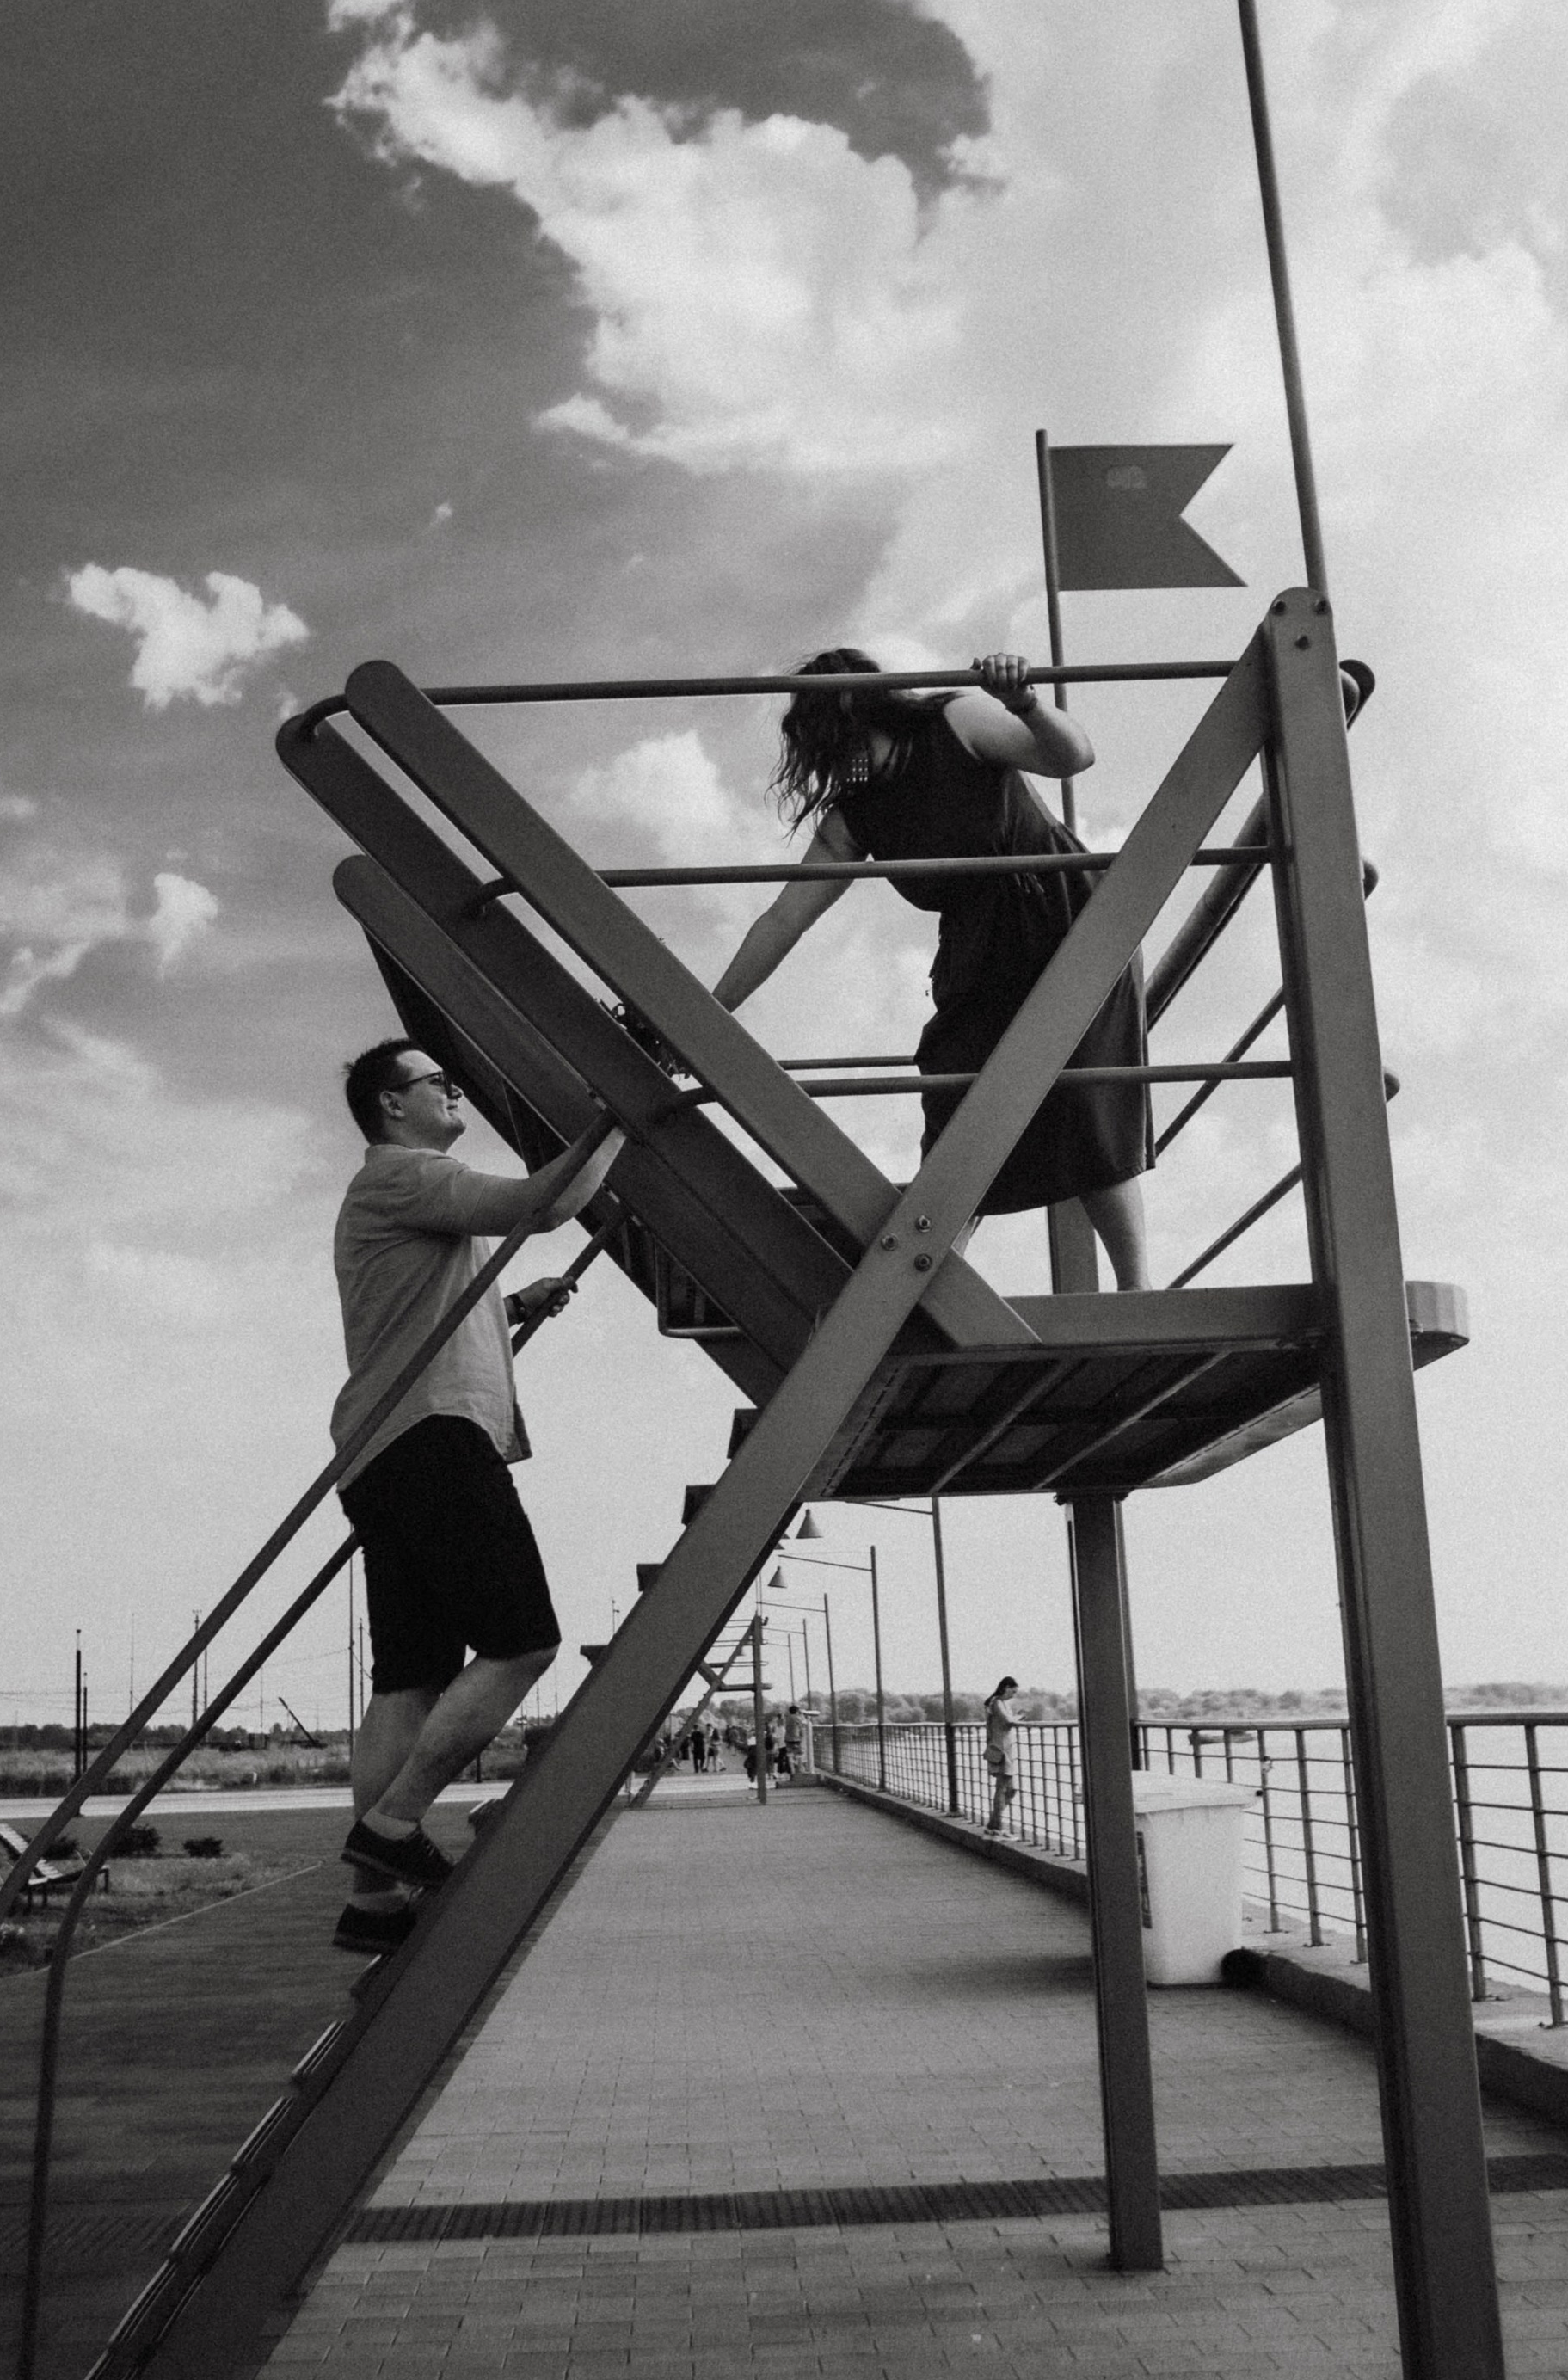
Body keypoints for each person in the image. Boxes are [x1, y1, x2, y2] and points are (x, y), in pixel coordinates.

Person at [710, 647, 1151, 1287]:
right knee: (956, 1097)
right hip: (978, 950)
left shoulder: (957, 722)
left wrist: (1023, 701)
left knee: (1082, 1098)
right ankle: (919, 1289)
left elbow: (1072, 757)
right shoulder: (856, 814)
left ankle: (1136, 1291)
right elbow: (784, 919)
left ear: (849, 708)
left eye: (813, 722)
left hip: (1061, 918)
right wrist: (712, 1007)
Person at [330, 1040, 624, 1955]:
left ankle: (373, 1902)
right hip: (433, 1438)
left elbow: (423, 1304)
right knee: (522, 1639)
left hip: (381, 1450)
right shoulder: (409, 1173)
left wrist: (512, 1305)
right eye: (436, 1082)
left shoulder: (396, 1199)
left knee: (411, 1677)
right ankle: (393, 1825)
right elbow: (545, 1202)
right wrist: (622, 1115)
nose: (452, 1090)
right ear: (392, 1105)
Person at [983, 1675, 1020, 1837]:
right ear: (1006, 1688)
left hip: (1004, 1750)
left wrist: (1015, 1717)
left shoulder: (1001, 1703)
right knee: (1002, 1789)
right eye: (1013, 1691)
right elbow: (1007, 1722)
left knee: (1011, 1790)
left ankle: (992, 1824)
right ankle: (997, 1828)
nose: (1014, 1695)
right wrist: (1019, 1717)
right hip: (1001, 1750)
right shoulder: (997, 1703)